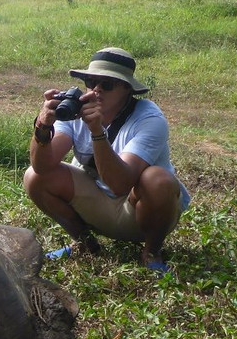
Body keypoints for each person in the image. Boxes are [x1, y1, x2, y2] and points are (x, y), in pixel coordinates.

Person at [23, 47, 191, 274]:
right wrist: (43, 126)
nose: (96, 90)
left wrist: (97, 132)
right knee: (34, 176)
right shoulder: (75, 109)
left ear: (127, 89)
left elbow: (120, 184)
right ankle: (84, 243)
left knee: (157, 179)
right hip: (96, 202)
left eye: (107, 84)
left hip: (140, 213)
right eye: (91, 82)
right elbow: (42, 165)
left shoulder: (149, 119)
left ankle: (152, 252)